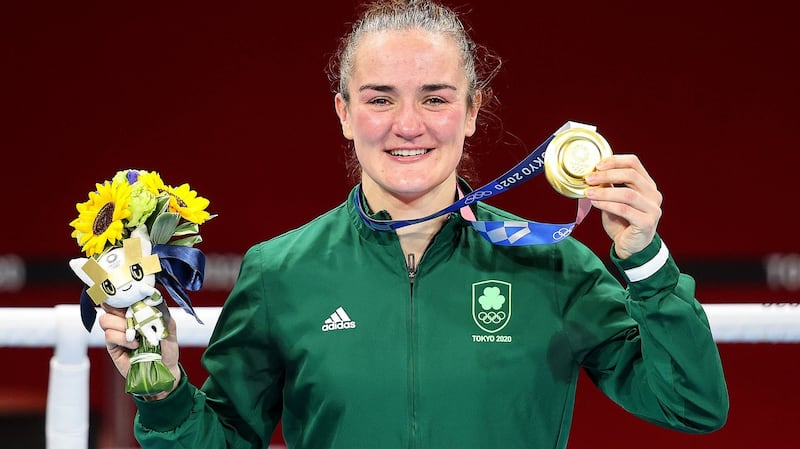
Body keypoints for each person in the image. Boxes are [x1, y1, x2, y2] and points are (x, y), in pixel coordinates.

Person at [98, 0, 729, 447]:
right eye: (380, 98)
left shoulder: (553, 265)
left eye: (435, 98)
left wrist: (646, 261)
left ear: (472, 111)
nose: (408, 125)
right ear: (344, 113)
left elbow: (692, 405)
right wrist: (165, 394)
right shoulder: (278, 274)